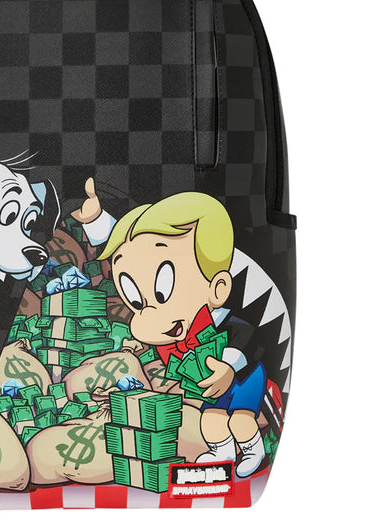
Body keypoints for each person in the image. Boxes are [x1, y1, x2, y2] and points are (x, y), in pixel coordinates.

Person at [72, 179, 267, 477]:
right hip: (209, 385)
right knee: (211, 422)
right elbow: (135, 250)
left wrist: (229, 366)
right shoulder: (170, 335)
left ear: (218, 288)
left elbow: (247, 335)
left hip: (243, 377)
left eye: (163, 291)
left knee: (240, 420)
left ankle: (253, 450)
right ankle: (223, 454)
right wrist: (97, 221)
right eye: (136, 301)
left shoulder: (219, 320)